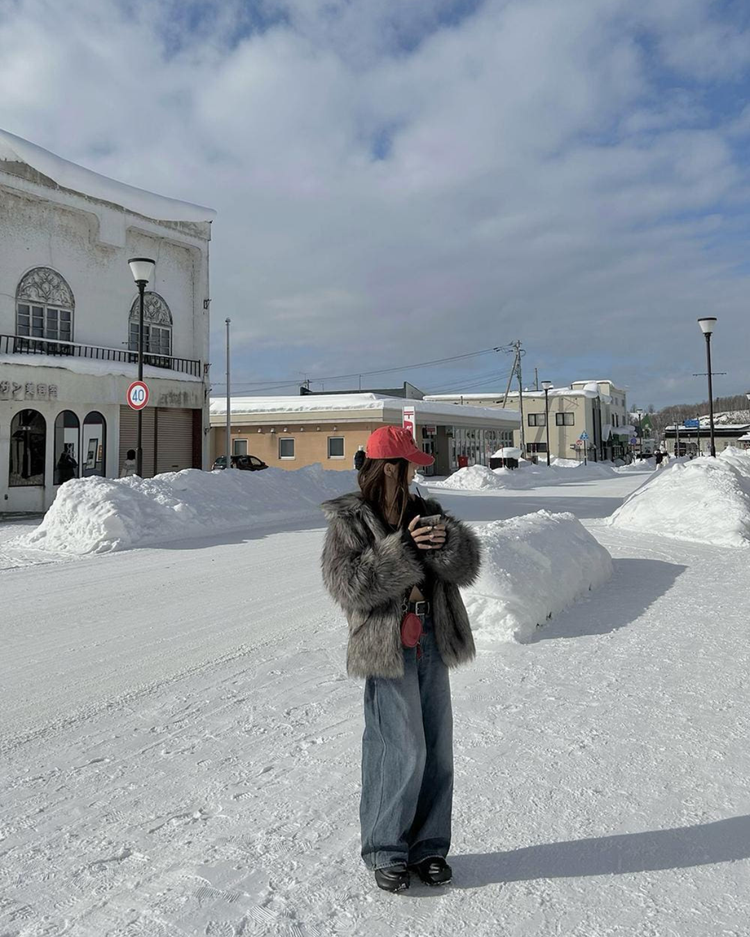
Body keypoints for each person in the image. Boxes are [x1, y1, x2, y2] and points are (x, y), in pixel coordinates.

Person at [321, 425, 481, 893]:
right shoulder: (349, 519)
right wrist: (404, 551)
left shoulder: (426, 510)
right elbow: (347, 585)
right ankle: (386, 849)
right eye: (409, 465)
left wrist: (445, 544)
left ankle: (429, 847)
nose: (415, 473)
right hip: (387, 645)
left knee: (437, 746)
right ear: (390, 468)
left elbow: (468, 565)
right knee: (400, 746)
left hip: (433, 633)